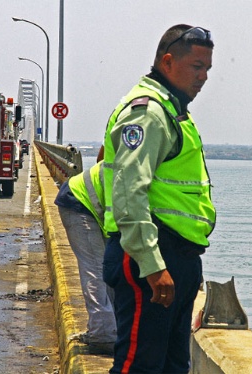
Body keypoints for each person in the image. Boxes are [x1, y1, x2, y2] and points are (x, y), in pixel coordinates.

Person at [101, 24, 216, 373]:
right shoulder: (148, 112)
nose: (204, 77)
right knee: (140, 365)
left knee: (172, 365)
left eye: (208, 69)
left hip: (178, 256)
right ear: (168, 62)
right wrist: (152, 265)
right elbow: (128, 193)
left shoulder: (173, 111)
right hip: (151, 257)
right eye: (197, 67)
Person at [54, 161, 117, 355]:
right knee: (95, 270)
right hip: (77, 203)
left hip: (91, 204)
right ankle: (103, 336)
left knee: (110, 269)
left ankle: (111, 329)